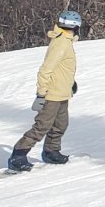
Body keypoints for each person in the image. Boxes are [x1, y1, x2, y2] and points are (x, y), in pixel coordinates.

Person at [8, 10, 82, 172]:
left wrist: (70, 83)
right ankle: (18, 156)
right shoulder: (61, 43)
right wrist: (41, 94)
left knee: (61, 124)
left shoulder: (66, 41)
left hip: (62, 93)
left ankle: (51, 151)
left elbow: (62, 68)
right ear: (75, 27)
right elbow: (45, 70)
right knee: (42, 126)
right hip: (52, 94)